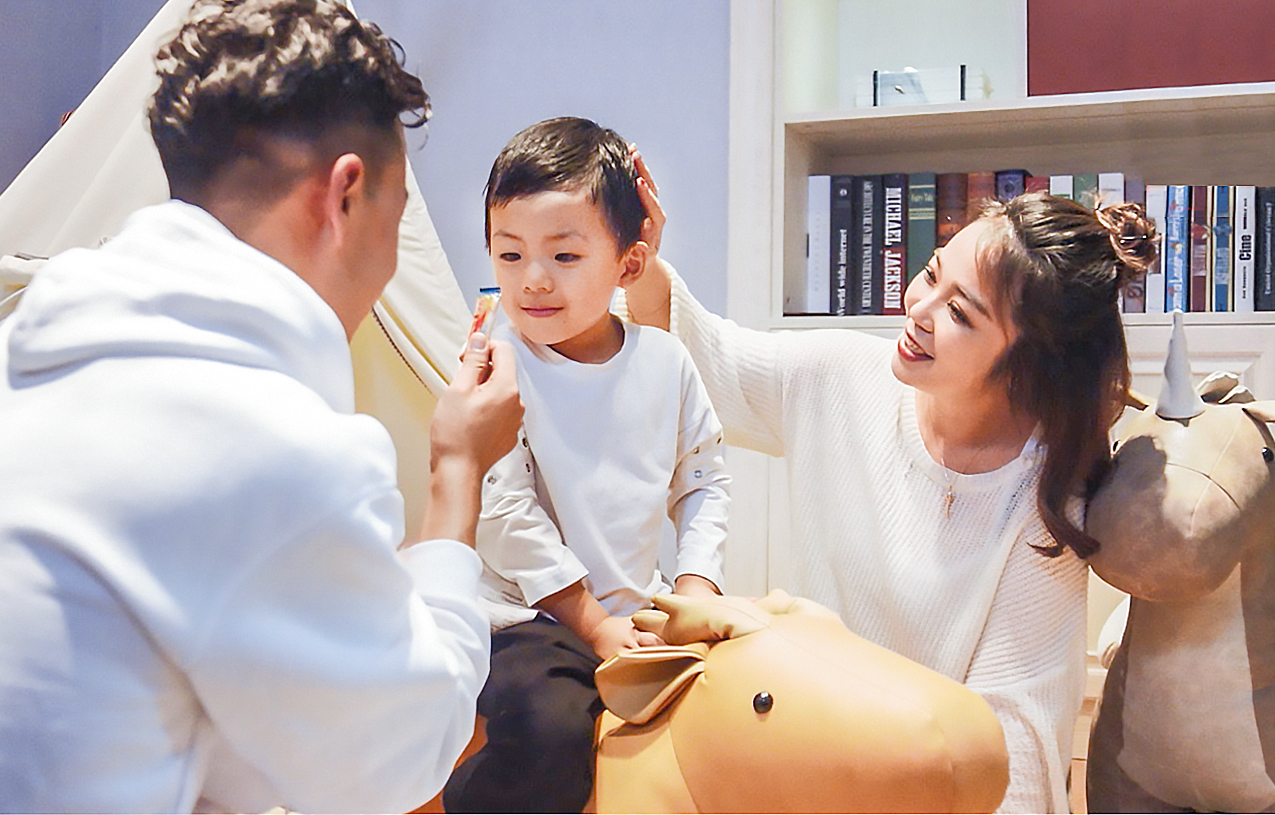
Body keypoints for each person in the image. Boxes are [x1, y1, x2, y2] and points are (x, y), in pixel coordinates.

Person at [0, 1, 523, 812]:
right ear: (345, 196)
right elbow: (395, 760)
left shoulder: (28, 350)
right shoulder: (269, 444)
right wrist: (457, 472)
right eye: (395, 216)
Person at [622, 161, 1158, 813]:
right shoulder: (842, 375)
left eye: (958, 312)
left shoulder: (1044, 501)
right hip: (802, 763)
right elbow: (704, 362)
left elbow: (1011, 755)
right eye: (931, 273)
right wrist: (636, 262)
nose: (917, 308)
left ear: (1028, 362)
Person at [441, 117, 731, 814]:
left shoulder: (664, 360)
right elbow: (505, 511)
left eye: (564, 256)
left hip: (638, 606)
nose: (533, 280)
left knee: (741, 706)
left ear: (628, 265)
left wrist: (695, 591)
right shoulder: (495, 363)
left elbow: (704, 479)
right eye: (509, 255)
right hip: (523, 618)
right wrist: (595, 627)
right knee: (553, 728)